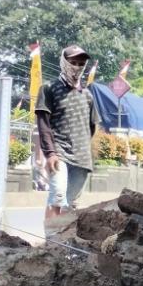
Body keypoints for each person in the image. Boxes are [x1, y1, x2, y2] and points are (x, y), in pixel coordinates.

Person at [35, 45, 100, 221]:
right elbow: (43, 124)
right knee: (57, 197)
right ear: (64, 62)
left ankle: (62, 244)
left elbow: (91, 127)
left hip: (82, 158)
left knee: (70, 205)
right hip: (59, 153)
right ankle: (50, 242)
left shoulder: (87, 95)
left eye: (81, 63)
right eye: (73, 62)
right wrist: (50, 153)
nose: (77, 66)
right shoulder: (49, 89)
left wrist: (84, 147)